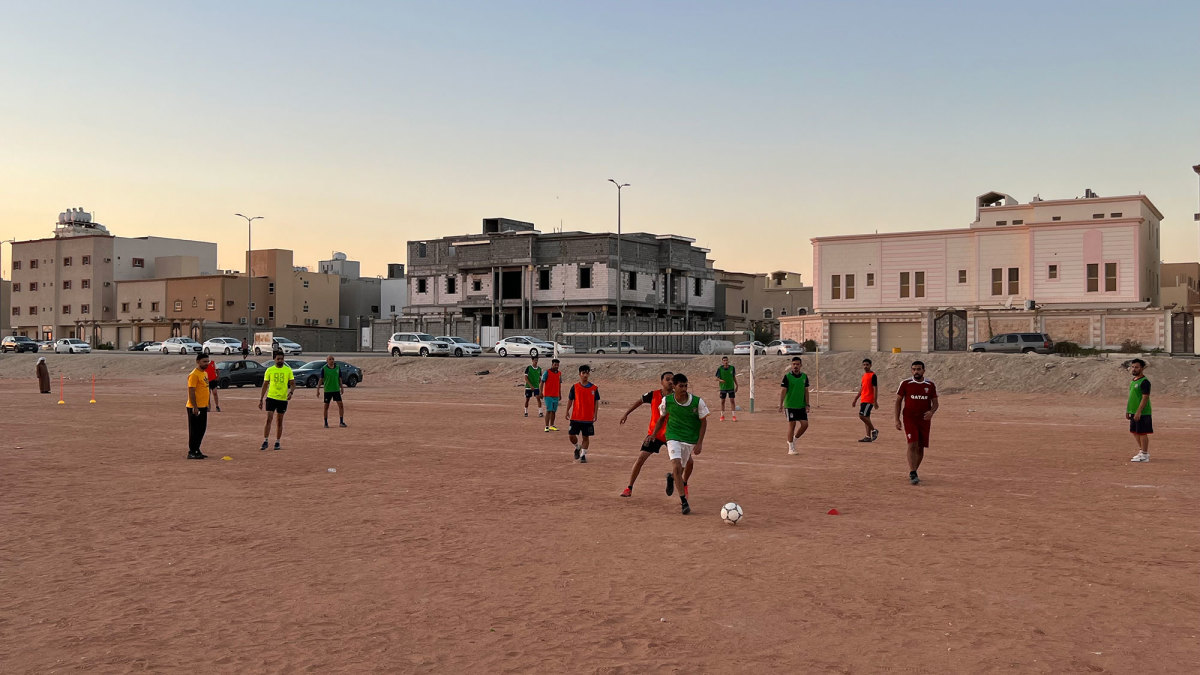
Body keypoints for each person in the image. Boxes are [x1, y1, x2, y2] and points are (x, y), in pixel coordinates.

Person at [619, 371, 693, 497]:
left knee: (689, 462)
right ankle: (629, 487)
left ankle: (681, 482)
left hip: (673, 435)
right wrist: (626, 413)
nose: (670, 381)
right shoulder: (653, 395)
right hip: (655, 434)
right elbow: (639, 401)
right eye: (667, 379)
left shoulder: (679, 397)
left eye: (672, 380)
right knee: (641, 458)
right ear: (661, 382)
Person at [650, 373, 709, 515]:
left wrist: (700, 443)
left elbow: (703, 422)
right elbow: (662, 418)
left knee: (679, 471)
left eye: (685, 386)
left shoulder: (697, 402)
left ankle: (671, 478)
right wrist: (653, 435)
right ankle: (684, 502)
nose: (684, 388)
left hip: (689, 439)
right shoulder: (667, 401)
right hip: (673, 436)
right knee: (676, 466)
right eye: (681, 386)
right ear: (674, 386)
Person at [895, 360, 938, 485]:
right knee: (912, 443)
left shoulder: (930, 384)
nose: (916, 371)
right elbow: (898, 401)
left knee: (920, 447)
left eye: (919, 369)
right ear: (911, 370)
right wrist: (897, 419)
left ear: (924, 370)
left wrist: (931, 412)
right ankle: (913, 471)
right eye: (914, 369)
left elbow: (935, 403)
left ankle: (914, 471)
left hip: (924, 419)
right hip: (909, 418)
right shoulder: (905, 383)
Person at [258, 351, 295, 450]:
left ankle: (277, 442)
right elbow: (265, 385)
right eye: (278, 359)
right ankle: (265, 440)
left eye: (282, 359)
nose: (280, 361)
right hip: (271, 398)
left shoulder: (288, 370)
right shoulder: (269, 370)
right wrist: (261, 399)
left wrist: (291, 392)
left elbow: (292, 383)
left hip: (282, 399)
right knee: (268, 419)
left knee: (279, 421)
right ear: (274, 359)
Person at [565, 364, 599, 463]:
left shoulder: (594, 388)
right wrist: (567, 410)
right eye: (583, 373)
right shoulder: (574, 387)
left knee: (585, 437)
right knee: (571, 435)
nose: (585, 375)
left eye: (587, 373)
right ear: (579, 374)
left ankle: (583, 455)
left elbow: (596, 401)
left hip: (587, 418)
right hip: (576, 417)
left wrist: (595, 414)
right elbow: (570, 399)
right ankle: (577, 447)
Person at [778, 357, 810, 455]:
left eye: (797, 364)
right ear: (791, 365)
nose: (795, 366)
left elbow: (806, 391)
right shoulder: (787, 377)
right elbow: (783, 391)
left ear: (801, 365)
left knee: (805, 424)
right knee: (792, 425)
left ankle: (793, 439)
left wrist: (807, 404)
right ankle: (791, 447)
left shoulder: (804, 377)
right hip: (790, 405)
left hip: (801, 405)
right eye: (794, 364)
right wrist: (781, 405)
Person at [1127, 358, 1153, 462]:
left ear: (1142, 368)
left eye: (1136, 367)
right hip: (1133, 411)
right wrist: (1128, 410)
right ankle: (1142, 451)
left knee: (1142, 433)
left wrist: (1139, 411)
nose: (1134, 369)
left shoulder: (1145, 382)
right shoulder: (1133, 381)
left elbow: (1145, 397)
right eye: (1133, 367)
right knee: (1135, 432)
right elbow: (1132, 397)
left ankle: (1145, 455)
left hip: (1142, 412)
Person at [186, 353, 211, 460]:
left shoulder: (205, 373)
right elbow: (191, 391)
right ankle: (192, 451)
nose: (206, 363)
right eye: (204, 361)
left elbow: (206, 389)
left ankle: (197, 448)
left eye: (207, 361)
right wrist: (195, 407)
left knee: (202, 429)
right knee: (195, 430)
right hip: (195, 407)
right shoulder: (194, 374)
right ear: (198, 362)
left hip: (203, 406)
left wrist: (208, 402)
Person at [851, 358, 878, 442]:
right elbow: (862, 388)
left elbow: (875, 388)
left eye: (867, 365)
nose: (865, 366)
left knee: (861, 415)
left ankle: (874, 430)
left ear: (870, 365)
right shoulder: (864, 376)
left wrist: (875, 400)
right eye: (864, 365)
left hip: (869, 400)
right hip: (863, 399)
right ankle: (868, 436)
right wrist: (855, 399)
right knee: (866, 417)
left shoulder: (873, 375)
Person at [318, 355, 347, 428]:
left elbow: (340, 378)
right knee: (326, 407)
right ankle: (325, 423)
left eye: (333, 359)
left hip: (336, 390)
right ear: (327, 361)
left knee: (341, 405)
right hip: (328, 390)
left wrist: (342, 387)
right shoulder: (324, 369)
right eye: (330, 359)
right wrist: (318, 389)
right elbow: (321, 379)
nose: (332, 360)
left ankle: (341, 422)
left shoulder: (337, 368)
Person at [541, 358, 563, 432]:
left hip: (556, 395)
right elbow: (542, 382)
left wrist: (560, 394)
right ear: (552, 364)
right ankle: (546, 426)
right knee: (549, 410)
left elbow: (559, 384)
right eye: (555, 365)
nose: (556, 366)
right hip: (548, 395)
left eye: (557, 365)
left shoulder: (559, 373)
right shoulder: (547, 372)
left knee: (554, 411)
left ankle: (552, 425)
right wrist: (541, 392)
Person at [715, 356, 738, 421]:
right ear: (722, 362)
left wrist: (737, 385)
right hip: (723, 388)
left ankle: (733, 415)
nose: (726, 362)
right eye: (724, 361)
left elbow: (734, 377)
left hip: (731, 387)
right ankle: (722, 415)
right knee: (722, 401)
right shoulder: (720, 369)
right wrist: (720, 380)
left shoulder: (732, 368)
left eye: (726, 360)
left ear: (728, 361)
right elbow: (716, 378)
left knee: (732, 401)